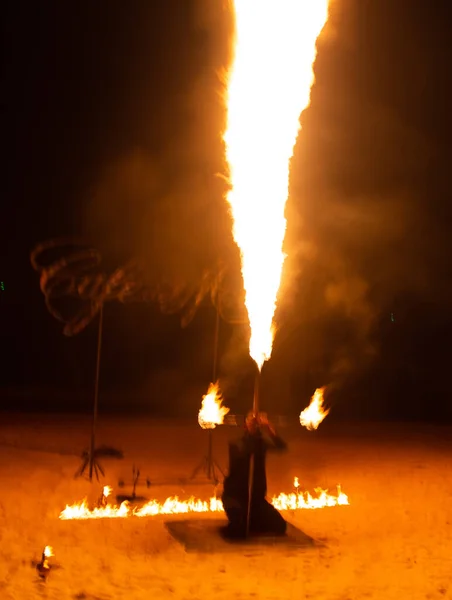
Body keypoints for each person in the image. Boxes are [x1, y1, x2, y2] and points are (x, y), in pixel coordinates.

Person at [221, 411, 288, 539]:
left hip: (255, 500)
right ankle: (242, 521)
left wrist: (269, 427)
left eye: (256, 423)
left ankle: (253, 521)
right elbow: (245, 450)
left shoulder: (261, 444)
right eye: (250, 422)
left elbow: (281, 447)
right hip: (235, 497)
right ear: (245, 426)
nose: (254, 424)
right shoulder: (235, 444)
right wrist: (252, 433)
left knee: (280, 526)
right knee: (238, 531)